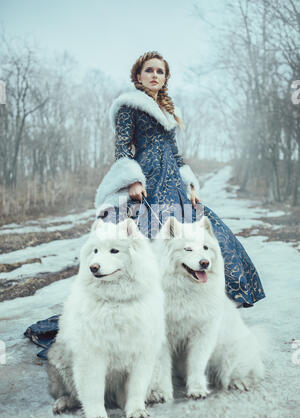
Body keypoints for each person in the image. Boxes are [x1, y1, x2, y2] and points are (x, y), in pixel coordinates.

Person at [24, 51, 265, 358]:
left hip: (175, 185)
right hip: (147, 182)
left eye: (160, 72)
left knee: (201, 244)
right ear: (138, 76)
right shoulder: (129, 106)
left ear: (165, 78)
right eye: (148, 71)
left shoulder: (166, 108)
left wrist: (190, 183)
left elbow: (175, 153)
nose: (154, 75)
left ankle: (190, 325)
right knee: (150, 251)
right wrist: (132, 179)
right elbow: (122, 149)